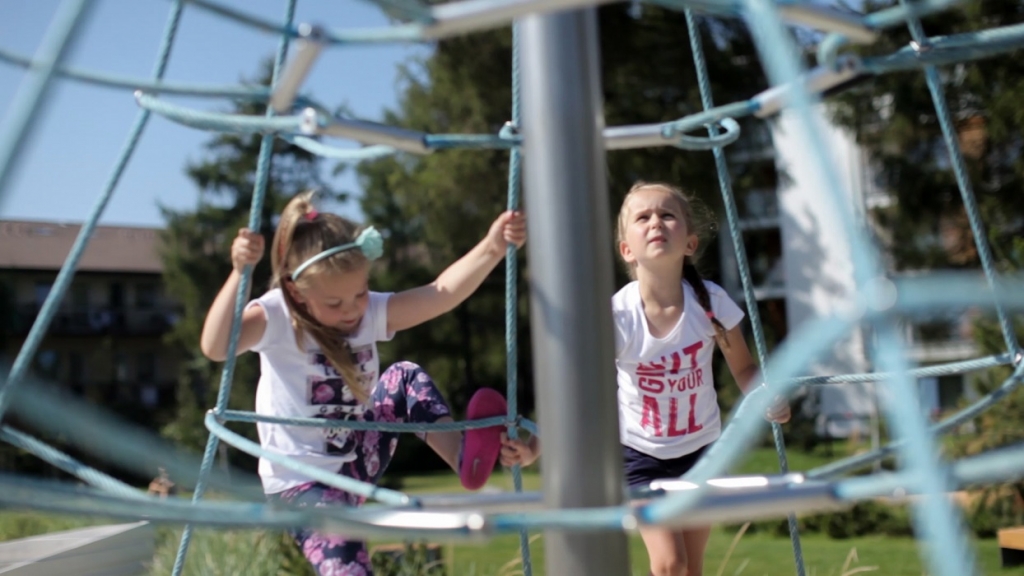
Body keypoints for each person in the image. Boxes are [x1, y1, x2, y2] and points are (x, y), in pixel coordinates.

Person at [200, 191, 526, 576]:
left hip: (355, 461)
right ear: (296, 293)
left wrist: (492, 247)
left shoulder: (367, 312)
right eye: (334, 303)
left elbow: (439, 294)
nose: (352, 309)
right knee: (347, 565)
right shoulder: (276, 317)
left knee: (404, 377)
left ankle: (462, 457)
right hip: (302, 486)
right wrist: (239, 274)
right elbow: (216, 346)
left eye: (359, 293)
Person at [500, 181, 789, 576]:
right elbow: (579, 393)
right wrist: (535, 448)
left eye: (667, 215)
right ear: (626, 250)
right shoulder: (617, 317)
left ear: (689, 243)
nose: (656, 222)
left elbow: (744, 369)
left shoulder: (710, 304)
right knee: (670, 564)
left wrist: (766, 397)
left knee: (691, 569)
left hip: (703, 452)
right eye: (643, 217)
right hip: (640, 457)